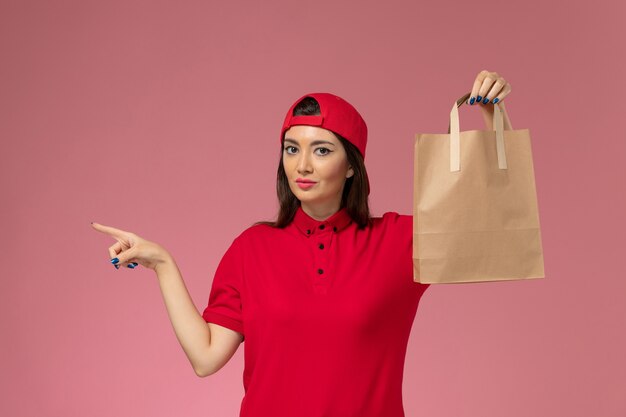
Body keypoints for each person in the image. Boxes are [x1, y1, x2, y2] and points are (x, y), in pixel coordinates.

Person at [91, 70, 512, 417]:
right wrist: (163, 264)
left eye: (322, 150)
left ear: (351, 166)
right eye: (292, 149)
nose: (303, 165)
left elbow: (490, 224)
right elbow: (206, 357)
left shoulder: (400, 242)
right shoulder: (251, 248)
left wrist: (492, 122)